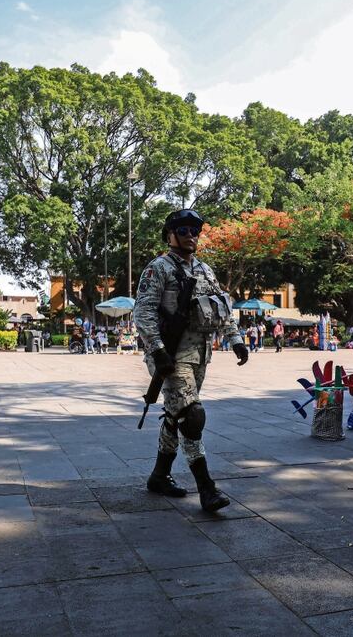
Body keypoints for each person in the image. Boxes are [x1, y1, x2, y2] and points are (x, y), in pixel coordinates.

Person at [134, 209, 249, 513]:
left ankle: (159, 476)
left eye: (194, 231)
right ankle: (207, 489)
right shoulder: (158, 268)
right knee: (192, 416)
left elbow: (220, 309)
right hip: (169, 356)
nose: (190, 236)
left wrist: (236, 340)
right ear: (170, 235)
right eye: (183, 231)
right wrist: (157, 350)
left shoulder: (206, 271)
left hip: (199, 355)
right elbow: (143, 312)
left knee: (175, 415)